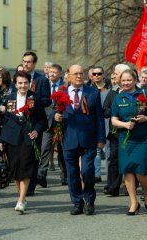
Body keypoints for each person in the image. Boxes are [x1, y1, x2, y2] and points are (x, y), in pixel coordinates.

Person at [54, 64, 106, 215]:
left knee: (87, 171)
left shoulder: (92, 92)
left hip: (88, 139)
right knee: (72, 173)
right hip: (69, 139)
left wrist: (101, 138)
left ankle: (89, 201)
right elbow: (54, 113)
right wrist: (56, 117)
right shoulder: (61, 93)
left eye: (81, 73)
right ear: (68, 76)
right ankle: (77, 202)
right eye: (75, 73)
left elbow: (99, 118)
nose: (78, 76)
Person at [0, 70, 47, 213]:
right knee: (15, 169)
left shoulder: (34, 98)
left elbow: (42, 120)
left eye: (25, 83)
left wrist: (36, 131)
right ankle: (22, 197)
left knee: (25, 168)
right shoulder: (10, 98)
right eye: (20, 83)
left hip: (28, 138)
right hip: (12, 138)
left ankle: (21, 199)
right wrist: (1, 140)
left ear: (29, 83)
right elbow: (7, 120)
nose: (23, 86)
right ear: (15, 83)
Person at [111, 69, 147, 215]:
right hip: (125, 139)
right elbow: (113, 120)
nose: (125, 83)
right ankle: (133, 202)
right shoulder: (118, 98)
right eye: (123, 80)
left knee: (140, 170)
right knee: (127, 170)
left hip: (143, 138)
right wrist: (125, 125)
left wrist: (146, 118)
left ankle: (146, 193)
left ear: (135, 80)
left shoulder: (144, 94)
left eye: (128, 80)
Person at [22, 51, 51, 196]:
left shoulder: (41, 80)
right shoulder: (19, 77)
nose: (26, 64)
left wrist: (35, 99)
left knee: (34, 154)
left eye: (28, 62)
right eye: (24, 61)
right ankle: (21, 180)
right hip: (21, 121)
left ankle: (31, 185)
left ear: (34, 64)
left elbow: (47, 100)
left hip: (35, 121)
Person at [103, 64, 130, 196]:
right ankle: (113, 187)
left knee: (129, 159)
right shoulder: (113, 92)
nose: (114, 76)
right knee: (114, 159)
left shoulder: (134, 91)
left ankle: (129, 187)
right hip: (115, 132)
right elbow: (105, 110)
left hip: (130, 131)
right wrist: (116, 110)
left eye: (117, 73)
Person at [37, 64, 67, 187]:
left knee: (62, 151)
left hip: (61, 124)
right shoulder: (44, 85)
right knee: (44, 149)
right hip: (47, 123)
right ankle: (41, 175)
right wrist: (52, 114)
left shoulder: (65, 87)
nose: (52, 74)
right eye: (50, 72)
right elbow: (43, 104)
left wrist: (59, 114)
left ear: (60, 74)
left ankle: (65, 176)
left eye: (55, 72)